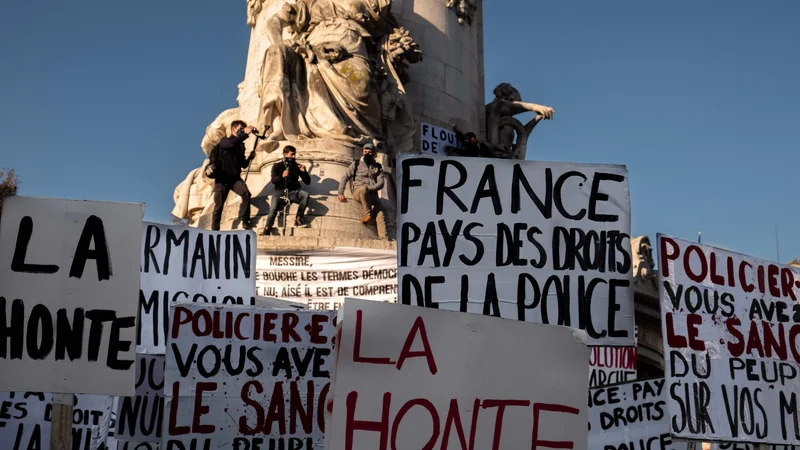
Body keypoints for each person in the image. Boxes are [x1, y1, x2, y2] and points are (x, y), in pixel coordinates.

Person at [211, 120, 256, 231]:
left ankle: (245, 220)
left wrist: (250, 158)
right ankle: (214, 230)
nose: (241, 131)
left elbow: (243, 165)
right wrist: (246, 134)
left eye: (243, 129)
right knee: (219, 206)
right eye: (240, 129)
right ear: (233, 129)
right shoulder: (225, 141)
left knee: (246, 194)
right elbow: (231, 144)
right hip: (222, 179)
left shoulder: (240, 146)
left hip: (235, 179)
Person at [337, 143, 387, 240]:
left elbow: (381, 183)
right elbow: (345, 177)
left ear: (374, 153)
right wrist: (340, 193)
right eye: (365, 151)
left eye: (369, 152)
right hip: (358, 192)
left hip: (371, 194)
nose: (367, 153)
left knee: (380, 211)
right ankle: (368, 214)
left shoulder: (378, 167)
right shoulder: (356, 164)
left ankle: (384, 237)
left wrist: (371, 188)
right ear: (362, 152)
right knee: (363, 188)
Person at [263, 146, 311, 234]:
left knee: (305, 195)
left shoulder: (296, 166)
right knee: (273, 208)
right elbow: (273, 180)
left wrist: (304, 172)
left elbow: (307, 182)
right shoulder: (277, 165)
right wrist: (282, 176)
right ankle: (267, 228)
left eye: (294, 155)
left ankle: (299, 217)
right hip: (279, 191)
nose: (293, 157)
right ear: (285, 154)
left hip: (293, 192)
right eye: (292, 154)